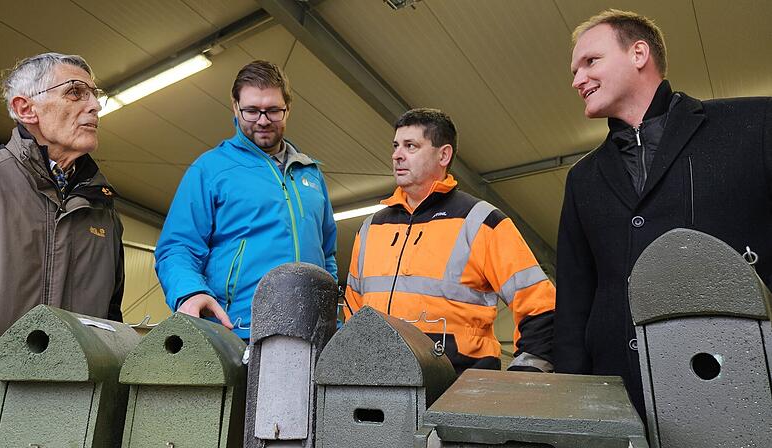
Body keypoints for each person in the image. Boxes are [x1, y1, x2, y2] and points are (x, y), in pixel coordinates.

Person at [556, 9, 772, 419]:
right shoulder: (582, 178)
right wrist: (574, 398)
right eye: (574, 70)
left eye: (590, 62)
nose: (577, 79)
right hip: (621, 395)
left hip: (743, 388)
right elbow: (574, 300)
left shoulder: (755, 125)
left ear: (639, 53)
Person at [0, 53, 124, 447]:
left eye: (94, 94)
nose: (94, 105)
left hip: (71, 428)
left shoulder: (104, 211)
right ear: (25, 108)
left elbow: (111, 320)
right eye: (75, 92)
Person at [344, 108, 555, 373]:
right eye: (396, 145)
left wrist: (527, 375)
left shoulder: (481, 221)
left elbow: (541, 304)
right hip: (382, 388)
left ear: (443, 155)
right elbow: (353, 312)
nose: (397, 155)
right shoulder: (371, 228)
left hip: (458, 388)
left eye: (411, 146)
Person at [155, 60, 337, 339]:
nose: (263, 120)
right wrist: (189, 292)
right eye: (252, 111)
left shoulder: (311, 174)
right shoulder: (210, 169)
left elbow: (327, 255)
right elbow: (177, 247)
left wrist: (329, 313)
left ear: (288, 108)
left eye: (273, 110)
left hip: (310, 332)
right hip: (239, 330)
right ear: (235, 107)